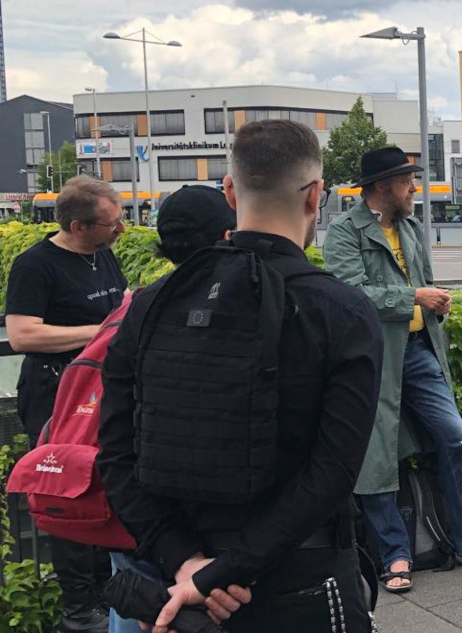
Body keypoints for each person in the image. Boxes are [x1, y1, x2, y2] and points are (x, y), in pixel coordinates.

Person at [97, 119, 382, 633]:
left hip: (178, 588)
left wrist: (186, 564)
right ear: (316, 195)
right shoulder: (342, 311)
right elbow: (334, 470)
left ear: (230, 191)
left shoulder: (148, 307)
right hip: (304, 579)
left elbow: (117, 454)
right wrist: (225, 572)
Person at [325, 146, 462, 593]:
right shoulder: (343, 231)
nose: (414, 187)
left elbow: (422, 285)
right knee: (376, 458)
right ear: (381, 186)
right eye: (406, 180)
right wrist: (414, 297)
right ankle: (395, 555)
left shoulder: (410, 226)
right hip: (371, 358)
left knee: (455, 437)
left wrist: (437, 303)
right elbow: (349, 295)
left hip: (418, 350)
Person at [102, 185, 239, 633]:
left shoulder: (140, 307)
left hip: (145, 519)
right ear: (227, 235)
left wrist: (177, 556)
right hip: (214, 541)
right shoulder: (245, 313)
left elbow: (116, 442)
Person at [4, 175, 128, 633]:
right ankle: (80, 609)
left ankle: (107, 595)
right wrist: (101, 334)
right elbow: (22, 334)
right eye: (112, 224)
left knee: (105, 488)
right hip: (55, 393)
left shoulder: (104, 257)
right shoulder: (35, 265)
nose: (121, 231)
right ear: (78, 226)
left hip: (101, 392)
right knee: (67, 493)